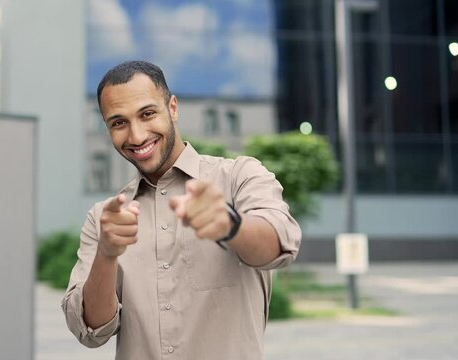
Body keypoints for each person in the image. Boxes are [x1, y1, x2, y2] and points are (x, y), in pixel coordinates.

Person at [62, 60, 301, 359]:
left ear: (172, 108)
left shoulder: (240, 177)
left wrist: (230, 225)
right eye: (119, 122)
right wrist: (107, 254)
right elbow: (90, 330)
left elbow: (280, 243)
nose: (136, 136)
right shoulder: (105, 218)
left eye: (147, 114)